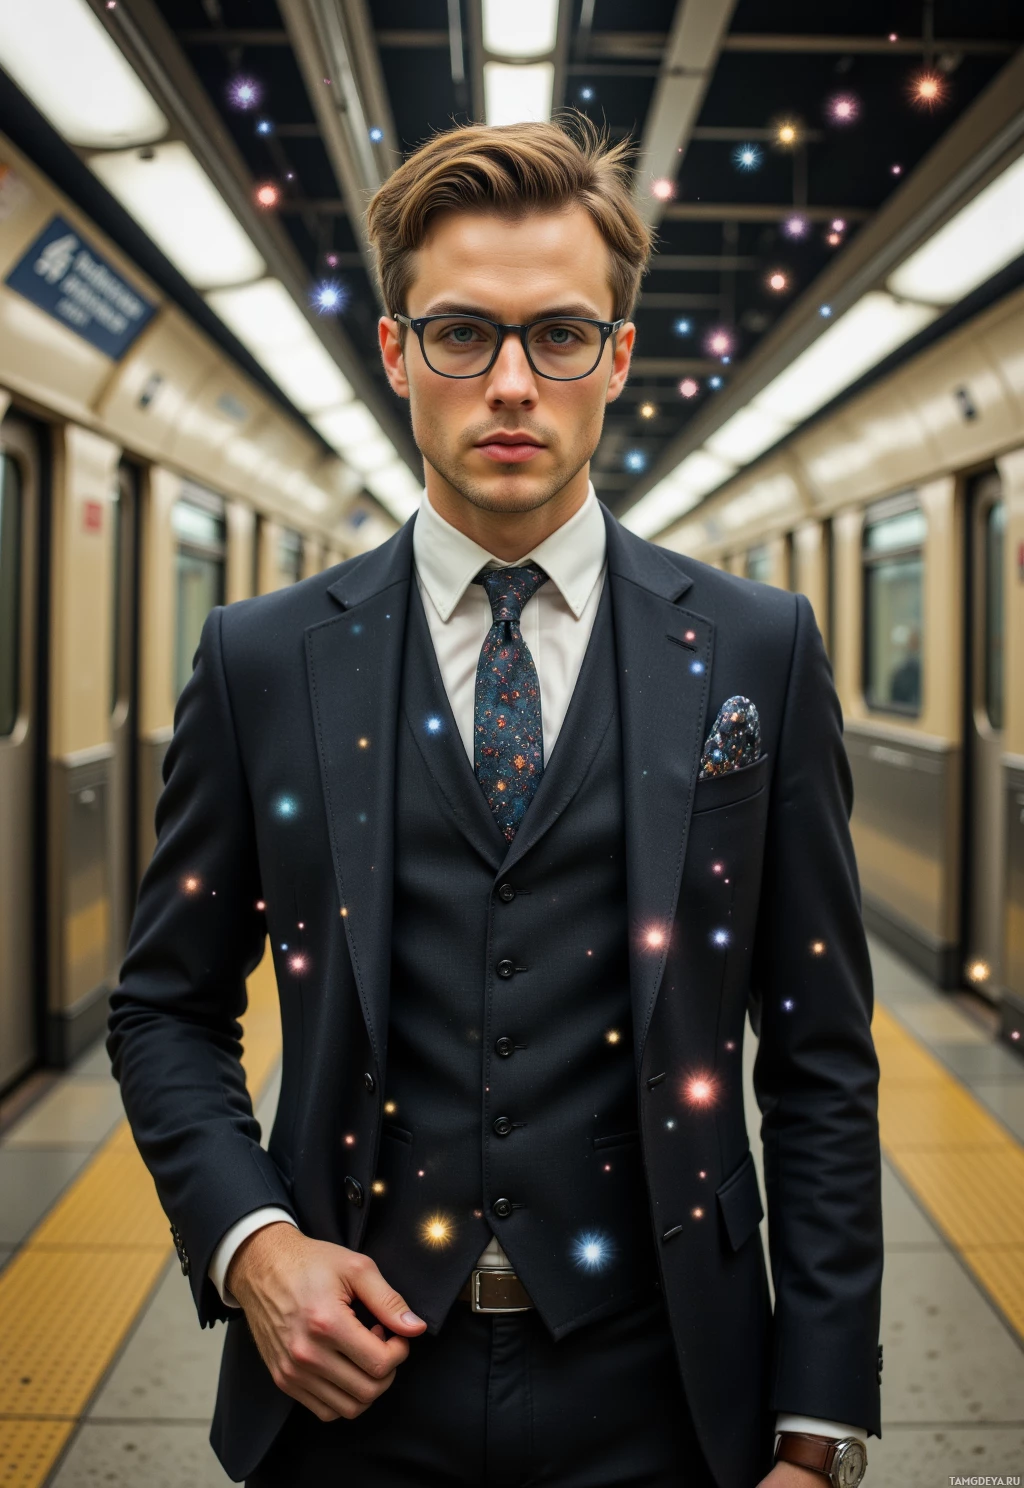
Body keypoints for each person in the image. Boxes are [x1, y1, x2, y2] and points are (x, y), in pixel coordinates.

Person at [109, 119, 882, 1488]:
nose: (513, 384)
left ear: (618, 360)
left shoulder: (756, 650)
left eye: (562, 336)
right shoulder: (261, 659)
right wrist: (255, 1250)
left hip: (667, 1385)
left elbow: (820, 1051)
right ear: (398, 352)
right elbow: (165, 1004)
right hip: (345, 1390)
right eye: (463, 334)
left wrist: (820, 1427)